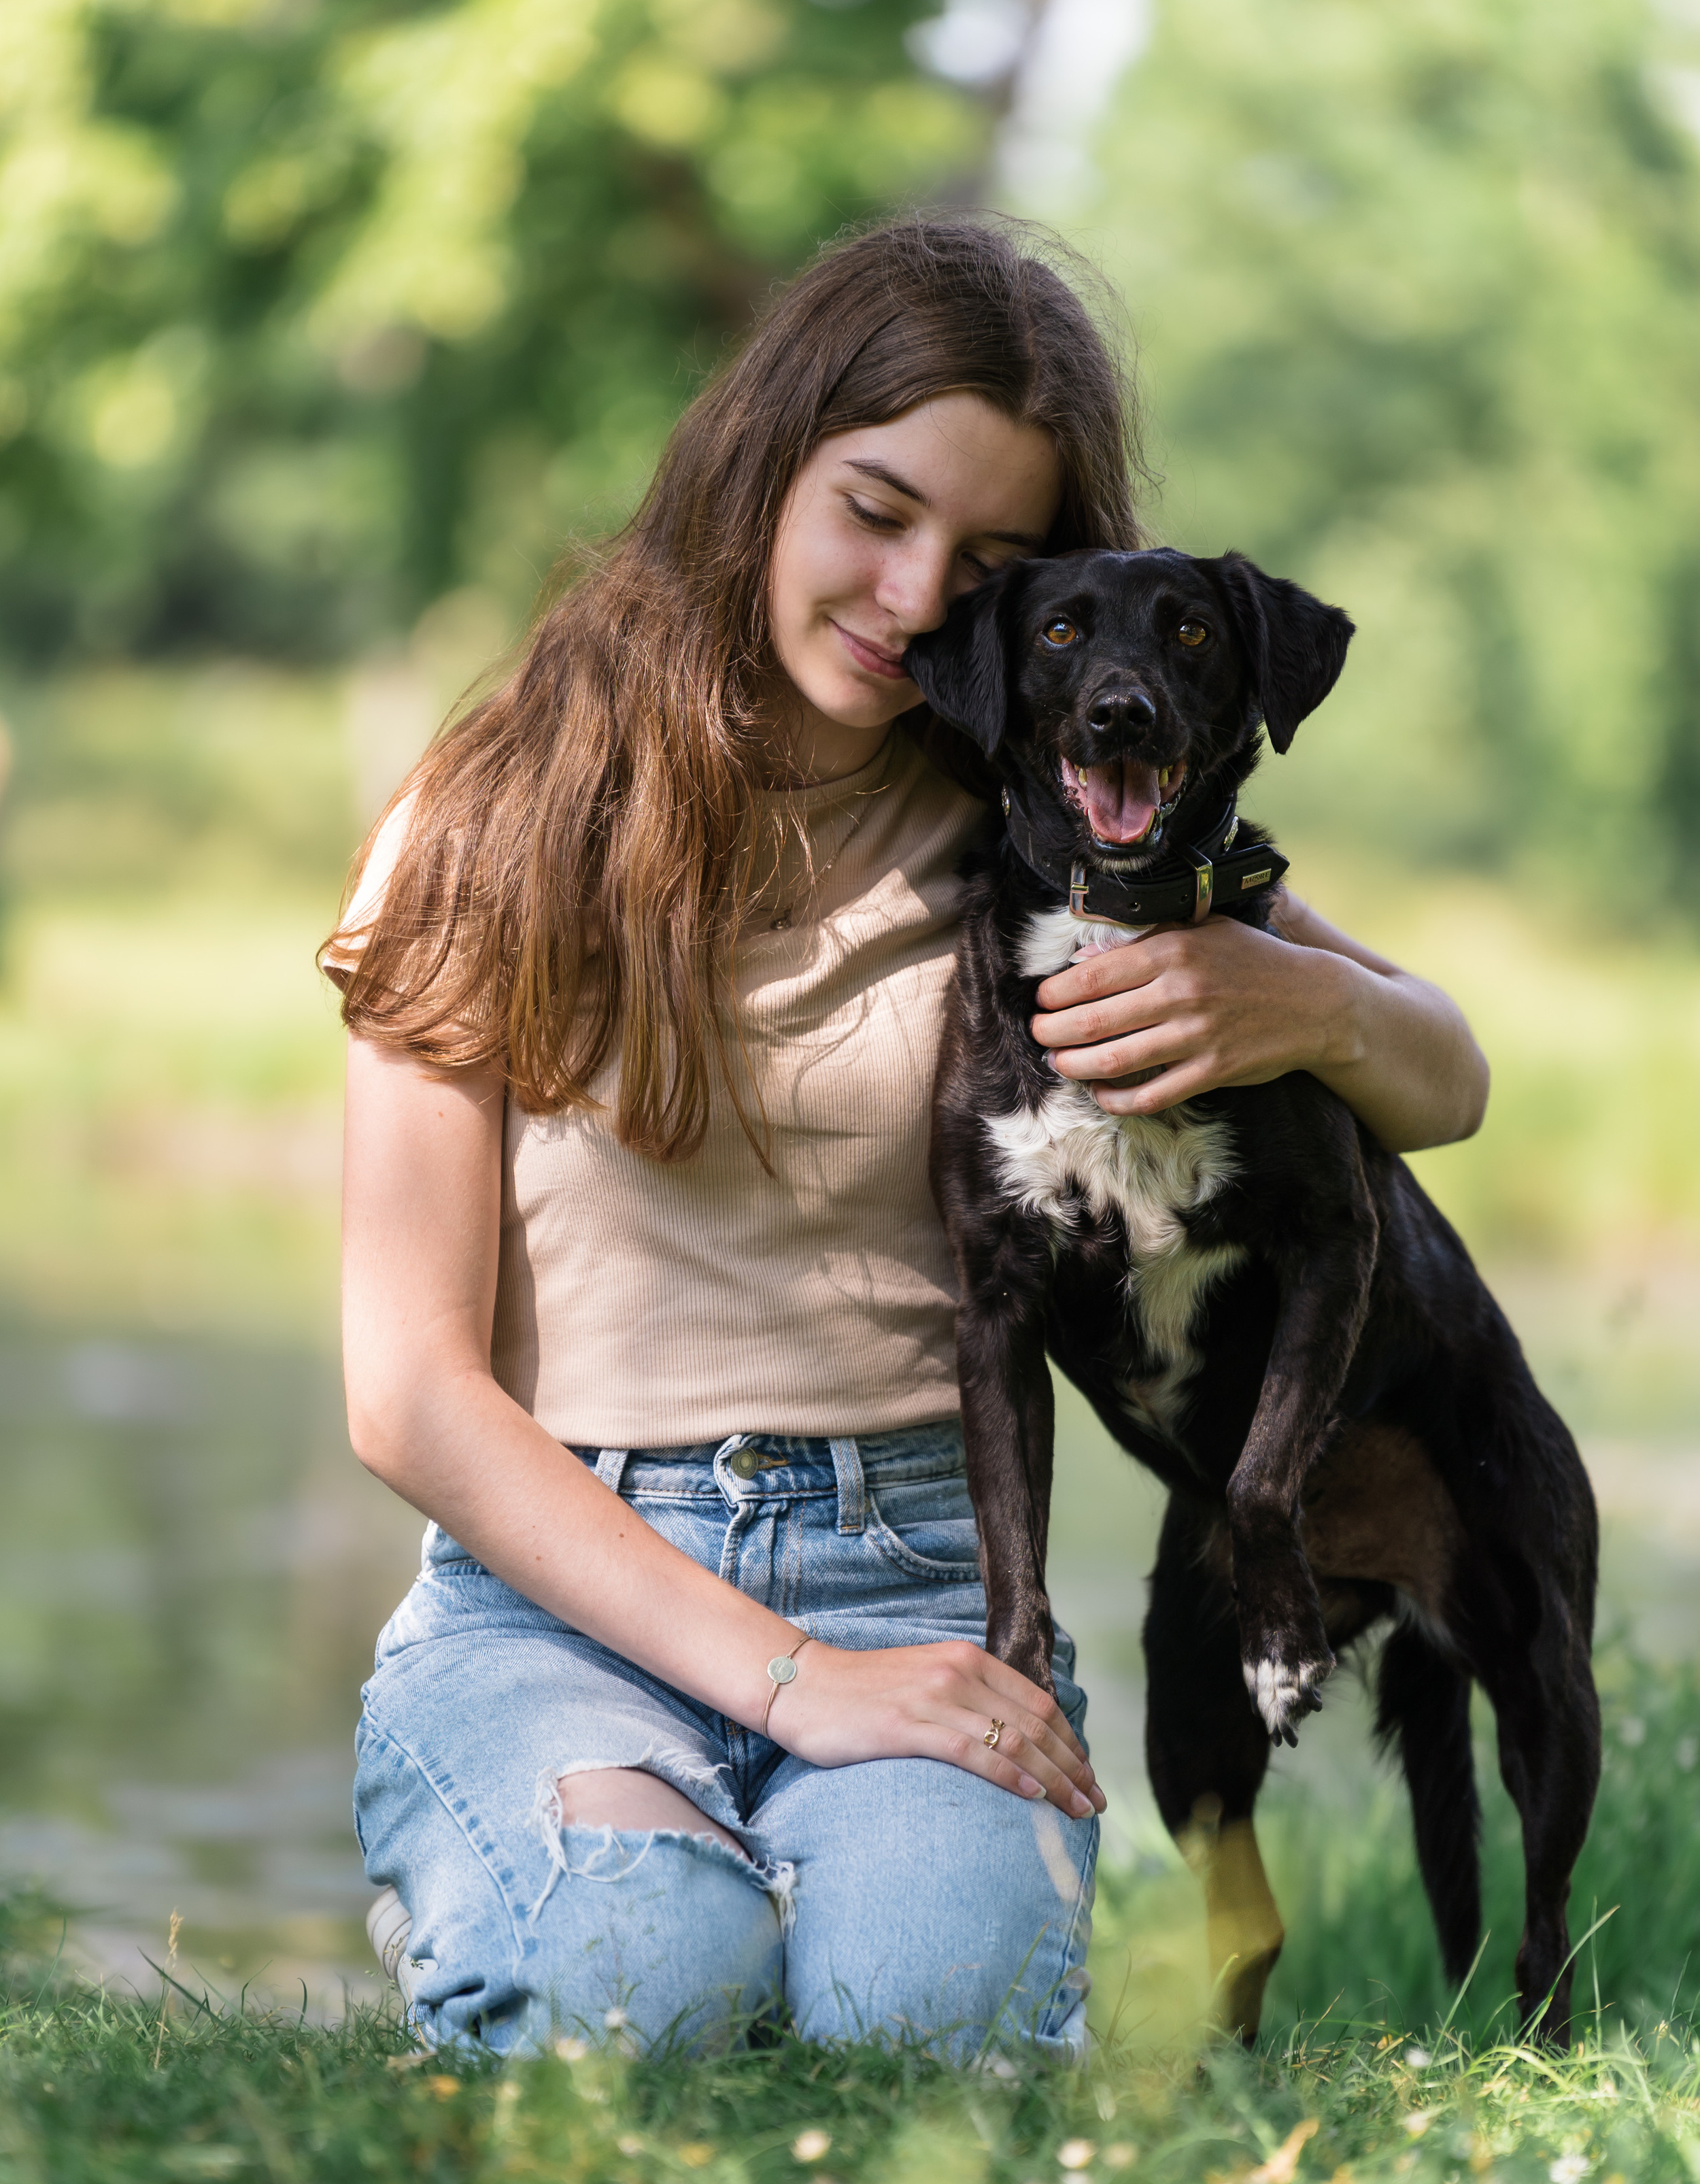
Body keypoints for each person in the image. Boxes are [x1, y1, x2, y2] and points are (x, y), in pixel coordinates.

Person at [327, 216, 1488, 2062]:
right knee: (638, 1996)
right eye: (875, 509)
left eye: (987, 564)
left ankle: (813, 1879)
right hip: (573, 1588)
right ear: (766, 459)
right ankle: (567, 1867)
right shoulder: (500, 821)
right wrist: (794, 1685)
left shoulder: (1044, 829)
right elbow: (408, 1395)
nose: (908, 591)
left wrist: (1309, 1007)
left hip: (933, 1574)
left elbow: (1449, 1079)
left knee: (924, 2029)